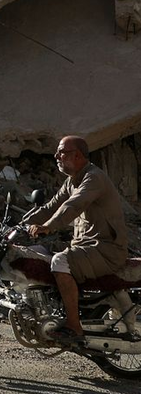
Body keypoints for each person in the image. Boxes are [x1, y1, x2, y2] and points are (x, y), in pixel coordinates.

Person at [26, 134, 129, 342]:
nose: (56, 156)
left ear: (78, 155)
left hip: (106, 250)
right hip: (89, 248)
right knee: (42, 257)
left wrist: (48, 226)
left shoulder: (93, 178)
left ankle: (74, 326)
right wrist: (21, 222)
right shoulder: (72, 180)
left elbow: (73, 205)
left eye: (62, 152)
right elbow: (51, 207)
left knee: (59, 261)